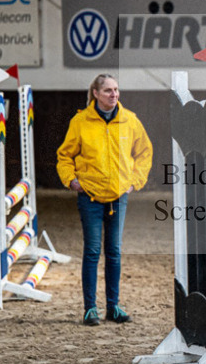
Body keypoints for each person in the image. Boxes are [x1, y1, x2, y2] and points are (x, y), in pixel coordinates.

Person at [57, 74, 153, 326]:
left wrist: (134, 182)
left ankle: (114, 307)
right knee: (92, 251)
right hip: (89, 196)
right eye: (108, 90)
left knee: (114, 252)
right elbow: (64, 156)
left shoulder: (130, 120)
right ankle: (90, 308)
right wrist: (71, 181)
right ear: (96, 93)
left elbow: (145, 153)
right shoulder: (80, 122)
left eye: (116, 90)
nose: (114, 94)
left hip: (118, 197)